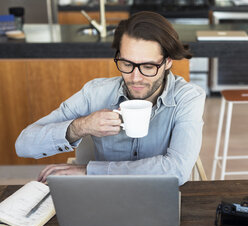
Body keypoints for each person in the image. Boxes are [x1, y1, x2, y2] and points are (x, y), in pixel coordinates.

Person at [15, 11, 206, 186]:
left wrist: (90, 171)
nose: (135, 78)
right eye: (126, 63)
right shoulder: (95, 93)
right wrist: (81, 126)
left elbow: (177, 169)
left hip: (160, 195)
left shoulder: (188, 97)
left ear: (167, 62)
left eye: (148, 66)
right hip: (102, 194)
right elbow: (23, 145)